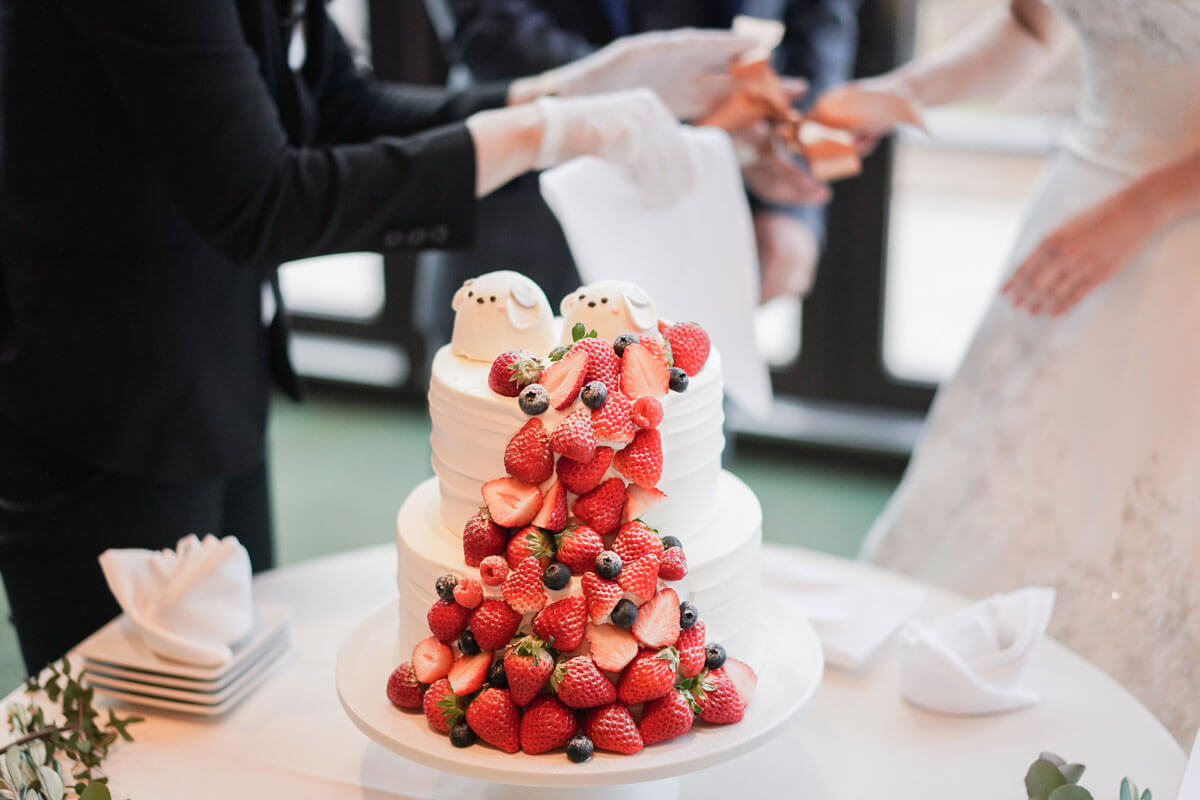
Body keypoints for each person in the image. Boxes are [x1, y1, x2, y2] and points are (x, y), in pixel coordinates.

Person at [0, 0, 754, 672]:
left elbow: (338, 107)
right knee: (120, 721)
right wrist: (540, 131)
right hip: (104, 398)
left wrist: (565, 90)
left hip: (215, 363)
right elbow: (261, 199)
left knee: (230, 690)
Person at [853, 0, 1200, 743]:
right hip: (1080, 198)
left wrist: (1142, 208)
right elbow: (1033, 29)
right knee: (1009, 477)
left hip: (1176, 233)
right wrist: (905, 91)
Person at [414, 0, 862, 360]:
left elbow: (820, 16)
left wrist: (791, 201)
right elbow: (486, 27)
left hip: (707, 197)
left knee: (685, 435)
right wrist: (648, 96)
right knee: (493, 434)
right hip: (522, 202)